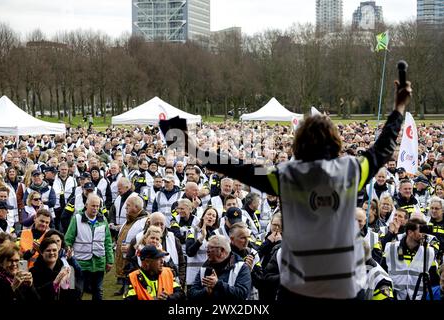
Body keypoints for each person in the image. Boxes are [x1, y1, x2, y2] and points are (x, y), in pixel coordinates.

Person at [175, 78, 411, 299]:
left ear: (299, 143)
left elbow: (239, 168)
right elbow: (383, 147)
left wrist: (194, 149)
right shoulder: (351, 170)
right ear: (335, 142)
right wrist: (399, 108)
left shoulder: (286, 175)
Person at [64, 194, 114, 300]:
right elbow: (68, 240)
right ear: (86, 205)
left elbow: (108, 241)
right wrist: (68, 258)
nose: (95, 208)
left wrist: (110, 260)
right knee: (78, 291)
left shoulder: (103, 220)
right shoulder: (76, 219)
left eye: (97, 206)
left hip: (99, 263)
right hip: (81, 263)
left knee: (98, 290)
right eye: (93, 206)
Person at [383, 218, 436, 300]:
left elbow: (434, 278)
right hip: (394, 296)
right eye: (420, 231)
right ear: (410, 232)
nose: (424, 235)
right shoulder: (390, 248)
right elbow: (383, 272)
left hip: (418, 297)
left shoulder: (429, 252)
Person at [188, 234, 252, 302]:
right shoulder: (204, 268)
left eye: (211, 248)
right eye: (207, 248)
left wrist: (218, 284)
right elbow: (192, 295)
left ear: (222, 250)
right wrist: (206, 291)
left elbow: (242, 294)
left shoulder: (241, 267)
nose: (207, 251)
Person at [114, 195, 147, 296]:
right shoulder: (130, 219)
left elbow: (145, 239)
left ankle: (129, 288)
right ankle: (124, 286)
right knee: (125, 271)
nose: (125, 208)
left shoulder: (144, 221)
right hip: (124, 255)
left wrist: (131, 247)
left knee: (131, 270)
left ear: (136, 207)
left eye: (128, 206)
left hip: (133, 255)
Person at [185, 207, 220, 287]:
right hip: (194, 277)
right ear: (203, 216)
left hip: (210, 278)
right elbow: (189, 252)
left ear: (215, 220)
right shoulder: (191, 231)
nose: (211, 217)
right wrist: (201, 238)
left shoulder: (217, 235)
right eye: (209, 214)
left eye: (214, 216)